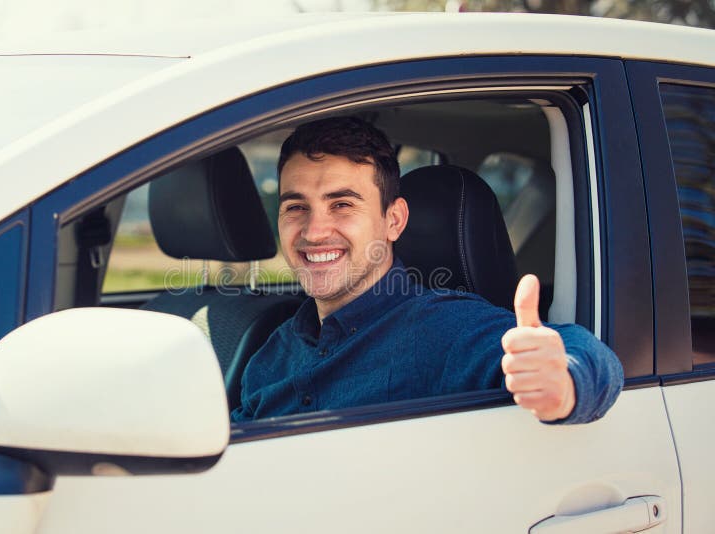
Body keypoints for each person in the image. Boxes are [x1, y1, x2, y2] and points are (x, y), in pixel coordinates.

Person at [230, 116, 623, 423]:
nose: (314, 232)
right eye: (296, 207)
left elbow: (587, 355)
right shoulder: (272, 353)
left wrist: (565, 378)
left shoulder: (443, 330)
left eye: (342, 205)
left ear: (394, 220)